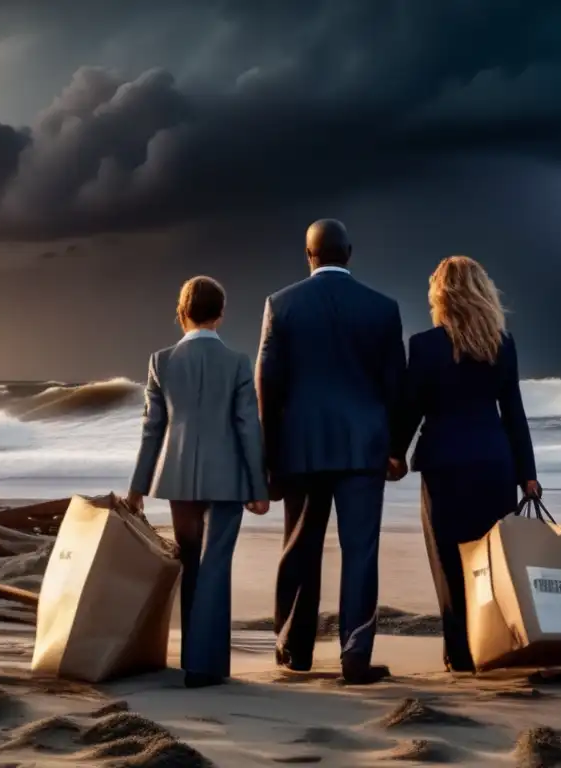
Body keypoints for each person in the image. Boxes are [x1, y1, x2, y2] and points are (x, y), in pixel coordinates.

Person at [255, 218, 406, 685]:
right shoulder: (383, 308)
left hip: (301, 450)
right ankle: (355, 654)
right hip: (365, 450)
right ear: (350, 253)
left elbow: (267, 386)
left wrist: (268, 457)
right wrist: (397, 449)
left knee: (301, 548)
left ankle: (295, 651)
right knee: (360, 551)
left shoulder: (281, 305)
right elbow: (396, 387)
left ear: (309, 255)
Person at [390, 256, 540, 673]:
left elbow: (410, 409)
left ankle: (460, 657)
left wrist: (394, 454)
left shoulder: (424, 346)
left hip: (445, 466)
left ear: (441, 296)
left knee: (450, 566)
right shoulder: (501, 345)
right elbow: (513, 412)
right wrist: (528, 475)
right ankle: (497, 648)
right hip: (495, 466)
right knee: (493, 563)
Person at [126, 275, 270, 689]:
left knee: (191, 563)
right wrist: (258, 489)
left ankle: (193, 659)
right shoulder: (239, 363)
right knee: (216, 565)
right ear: (220, 316)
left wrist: (137, 491)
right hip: (227, 477)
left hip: (178, 474)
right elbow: (248, 428)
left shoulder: (161, 361)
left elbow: (152, 430)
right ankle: (206, 665)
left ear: (181, 314)